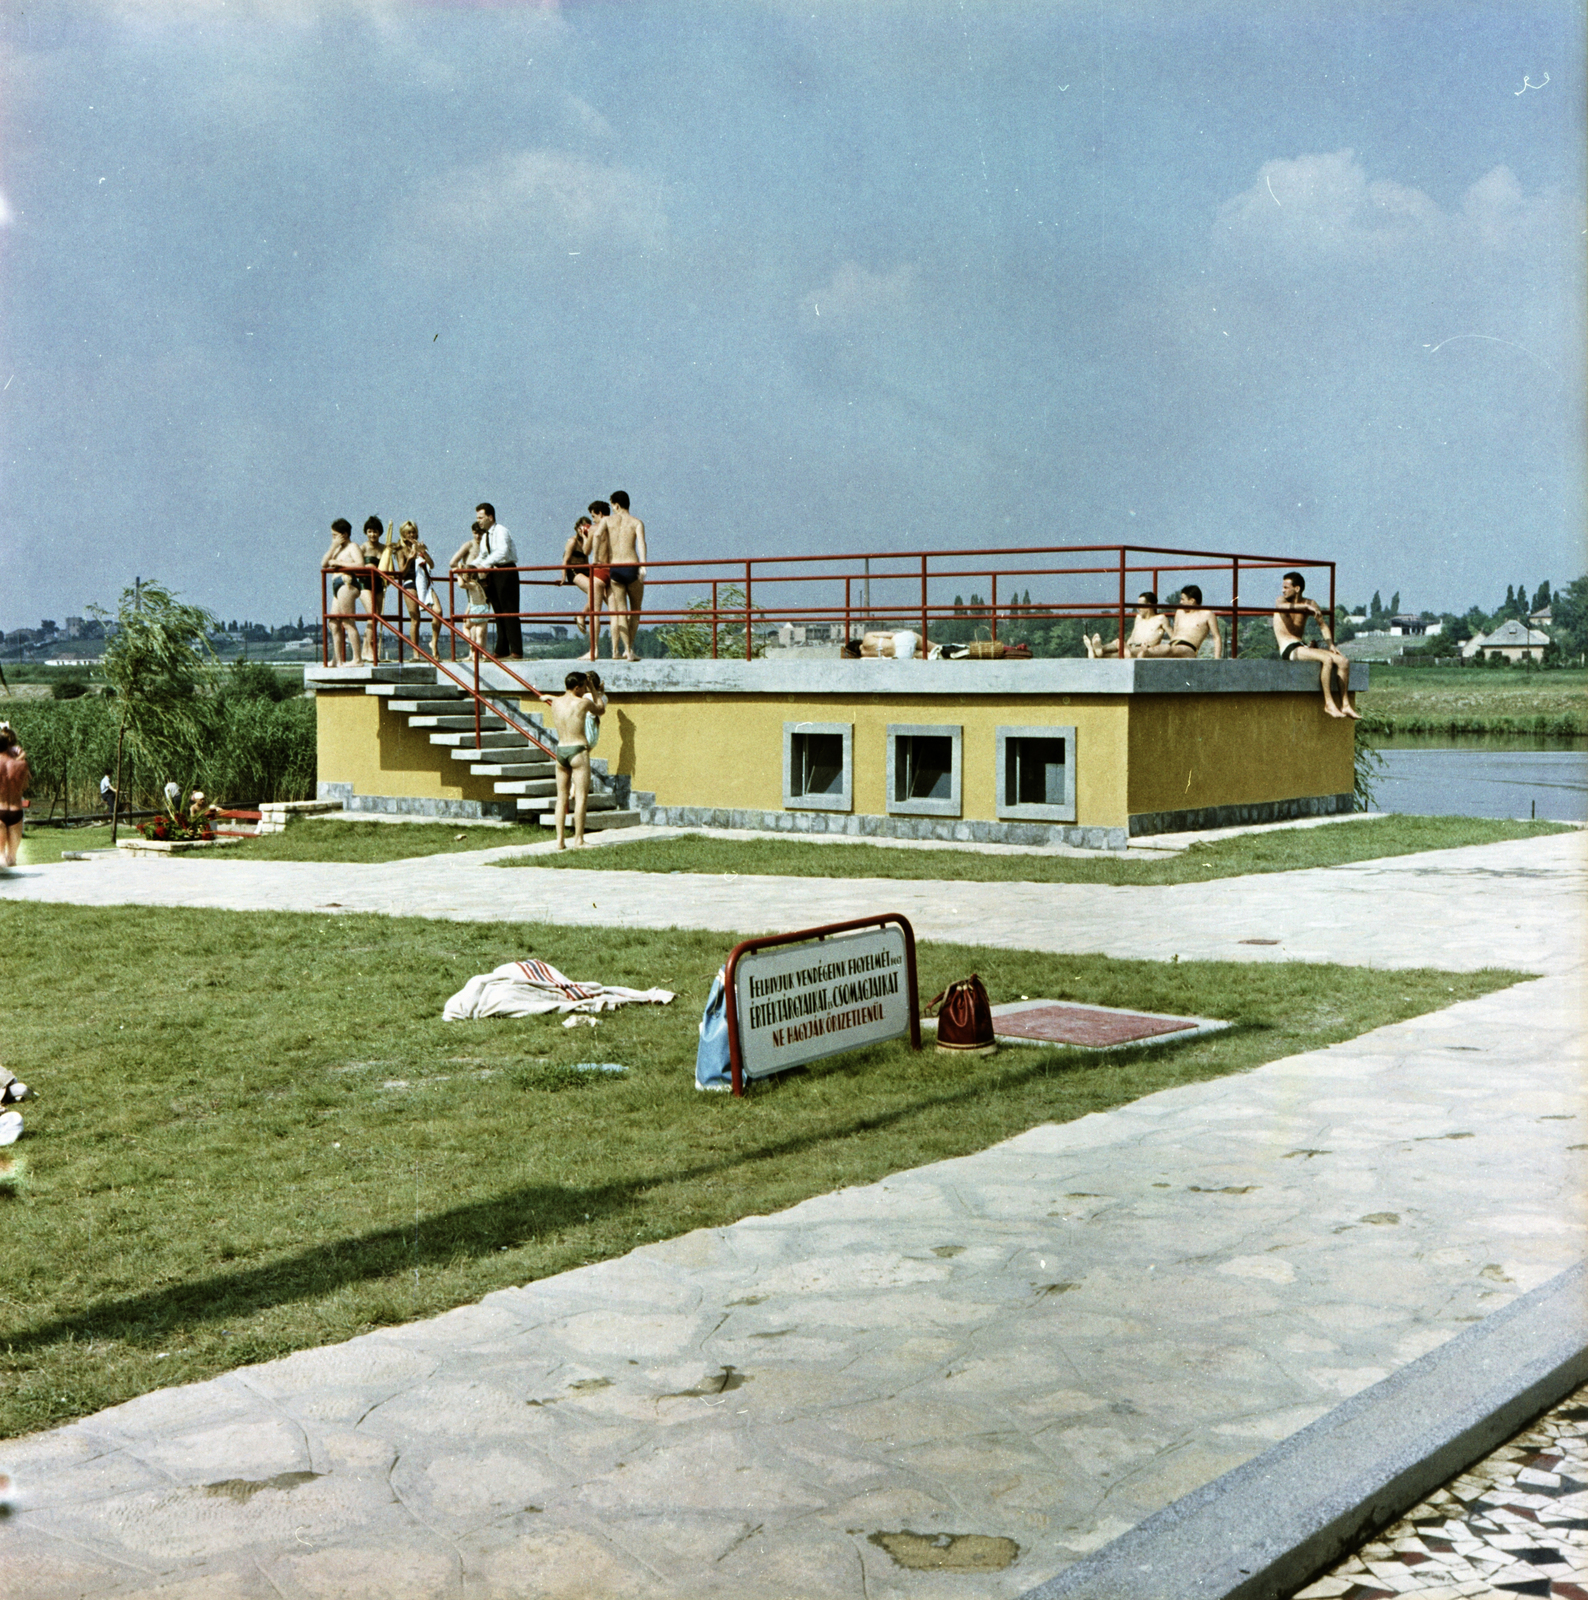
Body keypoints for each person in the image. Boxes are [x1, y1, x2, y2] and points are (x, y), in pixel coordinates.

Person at [1274, 570, 1359, 718]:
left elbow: (1323, 626)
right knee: (1327, 659)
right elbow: (1283, 608)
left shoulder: (1310, 603)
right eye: (1283, 587)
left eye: (1286, 587)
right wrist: (1306, 608)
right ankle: (1328, 704)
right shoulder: (1281, 601)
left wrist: (1331, 645)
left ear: (1297, 588)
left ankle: (1345, 705)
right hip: (1288, 648)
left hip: (1301, 645)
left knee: (1343, 662)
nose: (1283, 590)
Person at [537, 670, 607, 848]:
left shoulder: (555, 702)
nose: (585, 690)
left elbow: (557, 697)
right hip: (578, 750)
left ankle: (559, 841)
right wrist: (594, 687)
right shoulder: (583, 703)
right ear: (577, 687)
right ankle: (579, 840)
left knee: (561, 798)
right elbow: (601, 709)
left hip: (561, 751)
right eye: (584, 687)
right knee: (581, 797)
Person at [602, 490, 647, 661]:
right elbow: (641, 543)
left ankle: (626, 648)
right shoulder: (636, 522)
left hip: (615, 567)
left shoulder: (609, 521)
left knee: (621, 611)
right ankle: (630, 651)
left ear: (616, 505)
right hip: (631, 565)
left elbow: (598, 536)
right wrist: (643, 565)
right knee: (635, 610)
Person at [473, 502, 522, 659]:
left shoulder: (501, 531)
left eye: (481, 517)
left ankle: (516, 650)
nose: (479, 521)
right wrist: (472, 567)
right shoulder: (486, 536)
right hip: (494, 573)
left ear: (490, 517)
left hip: (506, 571)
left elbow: (502, 551)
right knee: (498, 611)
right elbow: (483, 555)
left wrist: (484, 565)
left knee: (509, 610)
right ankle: (502, 649)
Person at [321, 518, 364, 666]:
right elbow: (324, 563)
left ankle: (357, 658)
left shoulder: (353, 547)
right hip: (336, 584)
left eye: (335, 535)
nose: (333, 538)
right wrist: (333, 546)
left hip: (347, 583)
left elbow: (360, 564)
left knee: (347, 621)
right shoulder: (338, 549)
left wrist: (340, 563)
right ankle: (337, 658)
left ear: (344, 534)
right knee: (333, 623)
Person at [391, 521, 439, 651]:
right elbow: (401, 573)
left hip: (424, 581)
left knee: (438, 611)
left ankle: (433, 642)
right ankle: (416, 652)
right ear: (403, 534)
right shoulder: (401, 550)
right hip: (410, 582)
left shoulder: (419, 546)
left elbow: (432, 565)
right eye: (408, 532)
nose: (412, 535)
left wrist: (424, 552)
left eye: (413, 532)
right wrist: (410, 559)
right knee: (415, 617)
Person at [561, 515, 605, 650]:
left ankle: (582, 614)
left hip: (585, 569)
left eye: (588, 526)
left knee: (600, 590)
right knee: (594, 589)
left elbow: (586, 558)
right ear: (577, 528)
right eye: (583, 527)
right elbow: (565, 561)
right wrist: (563, 577)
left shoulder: (588, 540)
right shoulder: (572, 541)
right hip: (573, 570)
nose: (585, 529)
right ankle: (582, 615)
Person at [447, 528, 492, 655]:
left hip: (485, 582)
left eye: (481, 533)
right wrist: (462, 571)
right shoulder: (469, 545)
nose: (478, 536)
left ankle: (481, 652)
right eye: (476, 533)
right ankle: (473, 653)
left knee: (482, 625)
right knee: (472, 620)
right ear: (472, 532)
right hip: (471, 582)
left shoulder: (487, 546)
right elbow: (453, 562)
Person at [1085, 592, 1171, 658]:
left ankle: (1096, 652)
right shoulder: (1139, 618)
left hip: (1144, 648)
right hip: (1131, 646)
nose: (1137, 608)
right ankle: (1099, 649)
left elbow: (1173, 635)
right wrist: (1126, 644)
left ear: (1149, 606)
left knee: (1118, 650)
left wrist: (1167, 647)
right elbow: (1133, 635)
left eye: (1140, 605)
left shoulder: (1160, 619)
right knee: (1118, 645)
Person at [1157, 584, 1224, 658]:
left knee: (1168, 650)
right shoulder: (1180, 612)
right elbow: (1175, 633)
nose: (1180, 602)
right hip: (1172, 645)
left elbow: (1216, 637)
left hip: (1189, 648)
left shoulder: (1207, 614)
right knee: (1151, 650)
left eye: (1183, 599)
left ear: (1192, 601)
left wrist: (1217, 660)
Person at [0, 722, 30, 870]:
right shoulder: (22, 765)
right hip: (16, 810)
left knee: (0, 856)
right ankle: (18, 892)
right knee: (12, 858)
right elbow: (25, 786)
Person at [357, 516, 388, 663]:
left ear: (379, 532)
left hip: (379, 584)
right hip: (365, 584)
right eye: (369, 531)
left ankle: (367, 649)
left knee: (377, 617)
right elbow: (355, 565)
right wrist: (367, 567)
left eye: (375, 532)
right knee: (372, 614)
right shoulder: (362, 548)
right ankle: (368, 649)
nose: (372, 535)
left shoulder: (384, 548)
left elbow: (388, 566)